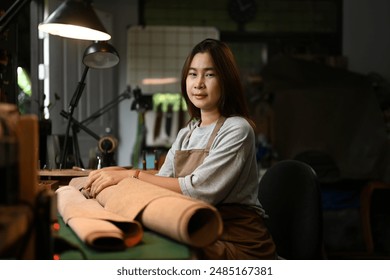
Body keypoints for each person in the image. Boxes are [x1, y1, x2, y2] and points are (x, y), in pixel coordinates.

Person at [84, 38, 276, 259]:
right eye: (193, 74)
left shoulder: (237, 129)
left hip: (239, 241)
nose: (199, 83)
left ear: (227, 81)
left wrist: (133, 174)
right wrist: (119, 178)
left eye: (210, 74)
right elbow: (162, 183)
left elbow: (198, 191)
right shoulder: (187, 132)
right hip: (197, 228)